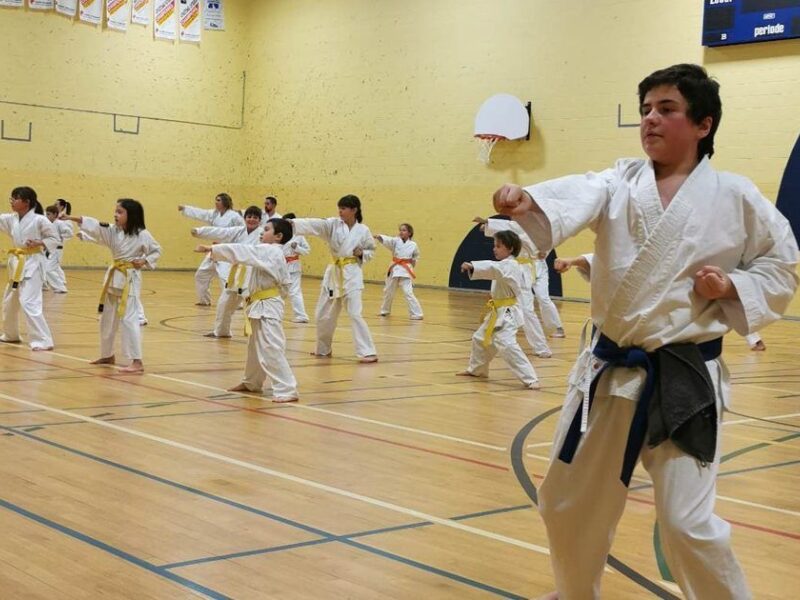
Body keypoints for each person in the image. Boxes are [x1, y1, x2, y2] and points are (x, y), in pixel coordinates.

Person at [493, 64, 798, 600]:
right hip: (610, 372)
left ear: (703, 124)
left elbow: (782, 265)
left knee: (686, 523)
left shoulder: (735, 195)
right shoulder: (619, 181)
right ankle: (573, 594)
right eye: (646, 110)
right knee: (566, 502)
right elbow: (574, 196)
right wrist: (529, 202)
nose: (651, 120)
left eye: (667, 109)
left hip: (683, 378)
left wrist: (731, 287)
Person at [195, 218, 298, 402]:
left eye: (266, 229)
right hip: (260, 304)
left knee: (270, 347)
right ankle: (252, 382)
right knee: (255, 348)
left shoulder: (271, 250)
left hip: (268, 305)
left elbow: (245, 251)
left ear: (278, 236)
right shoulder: (268, 251)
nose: (261, 232)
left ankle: (287, 388)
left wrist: (214, 249)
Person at [61, 199, 161, 373]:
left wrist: (144, 260)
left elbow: (157, 250)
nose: (115, 215)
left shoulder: (142, 234)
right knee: (106, 318)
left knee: (129, 319)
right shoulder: (114, 231)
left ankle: (137, 361)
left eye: (120, 212)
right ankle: (108, 354)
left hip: (129, 277)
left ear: (132, 215)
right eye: (115, 211)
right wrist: (71, 218)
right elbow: (97, 227)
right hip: (114, 277)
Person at [290, 195, 378, 363]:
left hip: (352, 273)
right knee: (323, 314)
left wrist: (363, 253)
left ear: (354, 210)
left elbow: (371, 250)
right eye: (339, 208)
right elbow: (314, 224)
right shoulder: (332, 224)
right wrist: (291, 224)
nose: (340, 211)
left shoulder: (363, 230)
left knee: (354, 312)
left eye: (344, 208)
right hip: (333, 273)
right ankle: (323, 349)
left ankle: (367, 352)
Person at [457, 229, 540, 389]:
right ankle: (477, 370)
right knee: (479, 339)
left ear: (509, 248)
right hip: (498, 311)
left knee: (506, 344)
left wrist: (472, 265)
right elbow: (496, 272)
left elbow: (492, 268)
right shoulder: (505, 265)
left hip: (508, 313)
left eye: (499, 246)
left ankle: (531, 378)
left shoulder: (510, 264)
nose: (494, 248)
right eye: (494, 245)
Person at [475, 216, 551, 357]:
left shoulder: (531, 227)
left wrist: (488, 223)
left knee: (527, 311)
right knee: (500, 305)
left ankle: (541, 347)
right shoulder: (517, 227)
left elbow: (513, 228)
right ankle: (491, 343)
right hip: (509, 268)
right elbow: (510, 230)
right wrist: (488, 225)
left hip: (520, 271)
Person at [191, 205, 263, 338]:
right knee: (224, 304)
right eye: (249, 216)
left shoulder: (263, 234)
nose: (252, 219)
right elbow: (220, 232)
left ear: (260, 220)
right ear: (245, 218)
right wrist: (200, 231)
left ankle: (259, 336)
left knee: (253, 309)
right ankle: (221, 331)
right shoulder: (239, 231)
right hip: (236, 275)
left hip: (253, 277)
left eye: (255, 217)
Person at [0, 186, 57, 351]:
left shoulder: (40, 220)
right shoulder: (12, 219)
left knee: (29, 301)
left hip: (33, 263)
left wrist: (40, 242)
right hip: (17, 263)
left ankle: (43, 340)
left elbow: (54, 238)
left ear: (26, 202)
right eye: (11, 198)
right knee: (10, 300)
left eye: (15, 198)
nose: (11, 201)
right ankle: (10, 334)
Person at [178, 193, 244, 306]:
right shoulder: (214, 214)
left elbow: (242, 232)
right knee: (201, 275)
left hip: (226, 252)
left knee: (226, 279)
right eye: (216, 200)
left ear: (225, 202)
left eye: (218, 200)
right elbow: (201, 213)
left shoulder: (235, 217)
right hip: (213, 250)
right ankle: (204, 300)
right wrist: (186, 209)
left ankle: (236, 303)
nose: (216, 202)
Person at [375, 223, 423, 320]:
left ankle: (417, 313)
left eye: (404, 230)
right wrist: (379, 237)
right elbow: (388, 240)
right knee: (388, 291)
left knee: (408, 292)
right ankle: (385, 311)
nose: (401, 232)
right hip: (395, 268)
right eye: (400, 230)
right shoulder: (396, 241)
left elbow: (416, 256)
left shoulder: (413, 245)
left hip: (405, 270)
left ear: (409, 233)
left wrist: (412, 263)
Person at [281, 213, 310, 323]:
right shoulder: (279, 234)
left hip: (293, 266)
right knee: (279, 292)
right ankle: (275, 312)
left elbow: (307, 251)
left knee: (295, 292)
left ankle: (301, 315)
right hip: (280, 266)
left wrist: (297, 247)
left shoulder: (299, 235)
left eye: (290, 222)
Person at [43, 204, 74, 294]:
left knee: (49, 269)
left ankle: (61, 287)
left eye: (49, 214)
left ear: (55, 214)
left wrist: (61, 236)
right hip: (49, 249)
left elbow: (70, 233)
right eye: (46, 214)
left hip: (57, 250)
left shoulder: (60, 223)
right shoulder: (47, 224)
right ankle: (44, 285)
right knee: (43, 267)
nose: (47, 216)